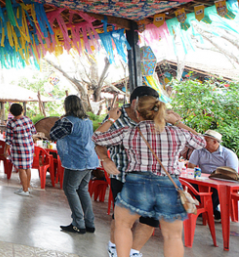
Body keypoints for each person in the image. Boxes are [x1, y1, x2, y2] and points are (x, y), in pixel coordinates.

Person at [93, 96, 205, 257]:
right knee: (172, 236)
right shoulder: (178, 133)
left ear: (138, 113)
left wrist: (111, 118)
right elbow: (201, 142)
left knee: (123, 226)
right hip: (168, 185)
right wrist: (177, 122)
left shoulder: (128, 132)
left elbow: (97, 137)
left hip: (136, 184)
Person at [94, 86, 161, 257]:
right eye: (148, 104)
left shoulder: (157, 116)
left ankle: (133, 252)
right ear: (134, 102)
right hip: (123, 174)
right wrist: (105, 159)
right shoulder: (117, 117)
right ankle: (114, 249)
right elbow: (98, 141)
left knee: (150, 219)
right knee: (123, 218)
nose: (152, 108)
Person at [49, 95, 99, 235]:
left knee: (69, 189)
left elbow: (53, 135)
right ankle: (89, 223)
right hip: (90, 159)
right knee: (82, 189)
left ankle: (78, 223)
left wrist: (58, 121)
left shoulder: (67, 122)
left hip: (76, 161)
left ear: (67, 106)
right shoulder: (87, 120)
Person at [187, 130, 238, 221]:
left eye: (205, 140)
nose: (202, 142)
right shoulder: (198, 151)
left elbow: (232, 173)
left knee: (219, 189)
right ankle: (211, 210)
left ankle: (207, 210)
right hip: (203, 180)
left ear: (215, 141)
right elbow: (191, 166)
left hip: (221, 180)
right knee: (191, 184)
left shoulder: (228, 154)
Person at [4, 103, 37, 196]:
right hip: (29, 147)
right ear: (22, 110)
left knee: (21, 169)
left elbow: (8, 139)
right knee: (27, 168)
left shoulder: (11, 123)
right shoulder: (28, 120)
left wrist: (6, 150)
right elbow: (34, 132)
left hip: (18, 148)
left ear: (11, 112)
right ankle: (27, 187)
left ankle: (25, 190)